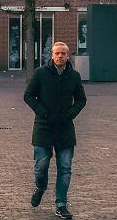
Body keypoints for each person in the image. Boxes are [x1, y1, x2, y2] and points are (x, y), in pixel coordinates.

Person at [23, 41, 86, 220]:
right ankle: (41, 187)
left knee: (65, 168)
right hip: (43, 126)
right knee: (41, 166)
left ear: (68, 56)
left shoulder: (74, 76)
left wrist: (71, 114)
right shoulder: (40, 73)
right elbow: (28, 95)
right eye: (57, 53)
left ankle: (61, 204)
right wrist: (42, 111)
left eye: (63, 54)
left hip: (65, 128)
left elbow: (81, 99)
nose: (60, 56)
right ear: (52, 55)